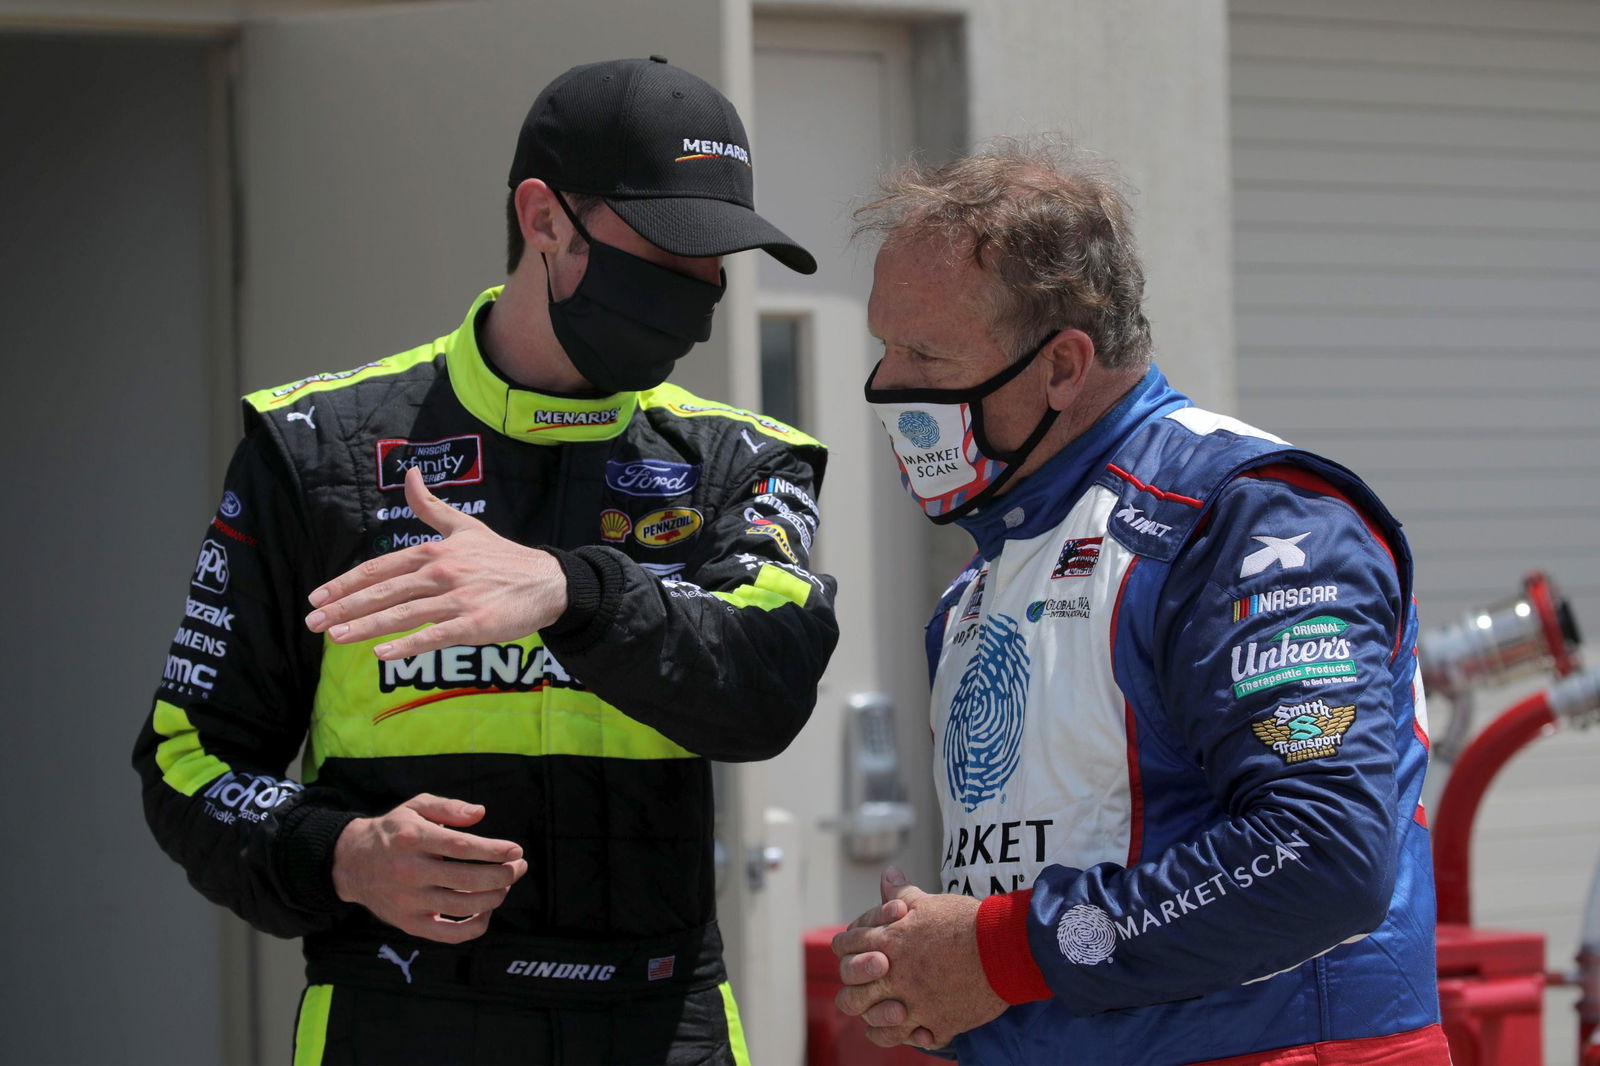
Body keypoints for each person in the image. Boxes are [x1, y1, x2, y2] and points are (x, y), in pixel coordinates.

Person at [133, 56, 838, 1065]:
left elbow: (766, 688)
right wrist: (339, 852)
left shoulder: (739, 460)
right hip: (399, 1018)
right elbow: (186, 757)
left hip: (658, 1023)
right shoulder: (319, 449)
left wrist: (568, 590)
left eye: (716, 259)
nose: (696, 290)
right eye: (668, 250)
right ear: (544, 218)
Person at [830, 139, 1449, 1065]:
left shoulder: (1249, 521)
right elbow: (1043, 895)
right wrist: (924, 964)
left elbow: (1324, 853)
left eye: (926, 352)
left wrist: (999, 950)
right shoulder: (979, 582)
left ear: (1064, 367)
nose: (891, 386)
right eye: (884, 344)